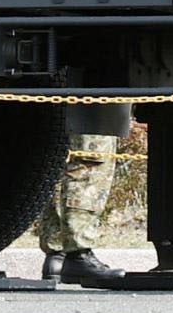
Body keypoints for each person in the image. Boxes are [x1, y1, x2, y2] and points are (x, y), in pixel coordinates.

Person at [40, 103, 135, 287]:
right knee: (90, 163)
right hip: (91, 89)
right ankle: (78, 254)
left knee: (58, 160)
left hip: (57, 89)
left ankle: (58, 256)